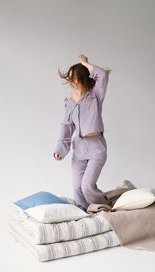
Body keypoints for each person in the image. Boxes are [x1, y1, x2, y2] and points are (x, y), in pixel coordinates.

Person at [53, 54, 112, 211]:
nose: (74, 82)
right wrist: (60, 149)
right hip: (79, 148)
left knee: (87, 187)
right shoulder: (70, 99)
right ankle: (86, 216)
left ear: (84, 77)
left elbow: (103, 75)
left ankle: (104, 208)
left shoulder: (95, 94)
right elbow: (67, 126)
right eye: (71, 79)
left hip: (96, 147)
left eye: (77, 78)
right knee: (77, 189)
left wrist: (85, 63)